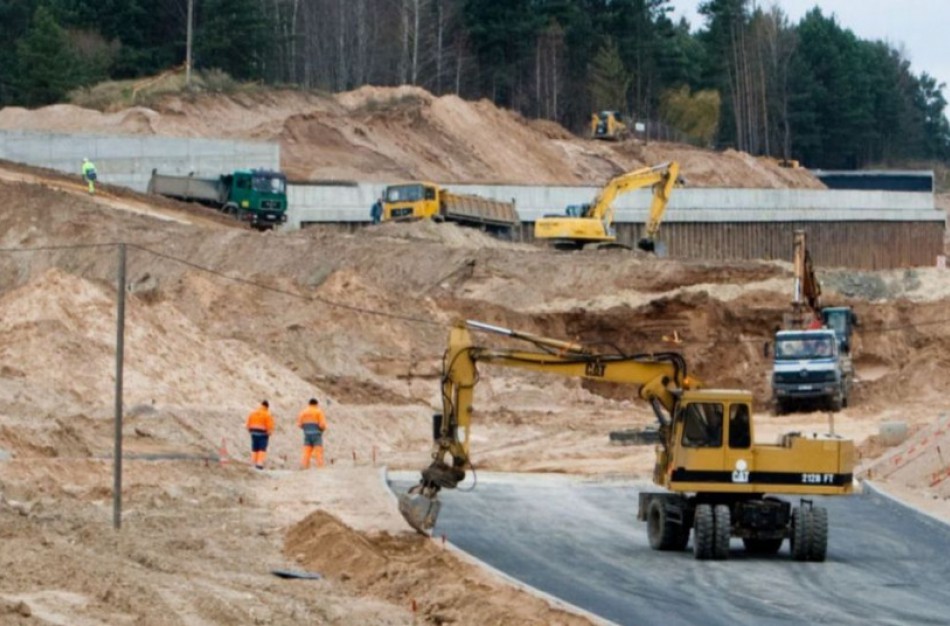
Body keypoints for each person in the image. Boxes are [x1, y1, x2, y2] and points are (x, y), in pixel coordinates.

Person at [297, 398, 328, 469]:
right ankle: (320, 467)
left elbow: (299, 424)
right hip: (316, 434)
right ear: (316, 404)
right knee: (318, 452)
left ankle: (304, 466)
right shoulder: (318, 412)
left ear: (309, 404)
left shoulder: (303, 412)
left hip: (307, 434)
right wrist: (322, 429)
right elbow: (322, 425)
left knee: (306, 452)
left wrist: (306, 428)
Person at [245, 400, 275, 470]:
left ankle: (253, 463)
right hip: (263, 433)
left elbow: (248, 423)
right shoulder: (267, 414)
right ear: (267, 407)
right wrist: (269, 432)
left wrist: (249, 430)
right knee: (262, 448)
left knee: (254, 448)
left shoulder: (253, 413)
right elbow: (269, 425)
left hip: (253, 432)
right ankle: (259, 464)